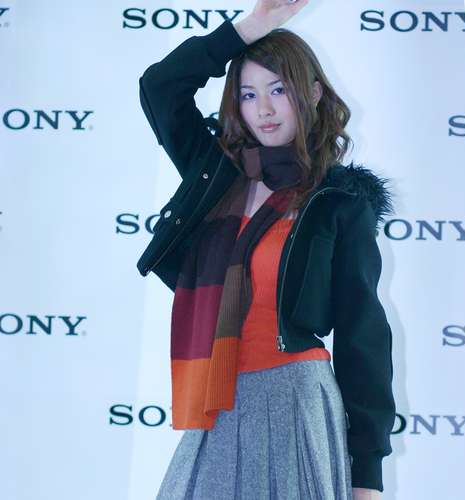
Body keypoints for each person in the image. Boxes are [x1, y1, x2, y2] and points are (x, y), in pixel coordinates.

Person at [136, 1, 396, 499]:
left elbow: (363, 333)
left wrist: (367, 476)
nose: (265, 109)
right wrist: (251, 27)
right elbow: (160, 87)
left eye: (279, 90)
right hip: (216, 397)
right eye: (249, 94)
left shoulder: (338, 201)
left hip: (295, 400)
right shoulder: (216, 174)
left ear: (312, 94)